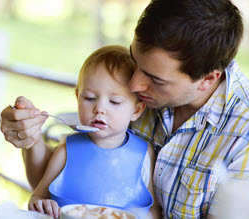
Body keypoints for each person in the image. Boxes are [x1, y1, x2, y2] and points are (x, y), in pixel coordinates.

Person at [0, 0, 249, 218]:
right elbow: (65, 176)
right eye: (135, 60)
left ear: (208, 79)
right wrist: (29, 138)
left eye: (155, 79)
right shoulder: (130, 93)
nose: (134, 83)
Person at [25, 45, 159, 218]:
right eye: (89, 98)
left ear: (136, 111)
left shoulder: (144, 154)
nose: (99, 108)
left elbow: (153, 209)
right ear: (77, 97)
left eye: (114, 101)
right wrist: (42, 203)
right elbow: (38, 196)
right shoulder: (67, 150)